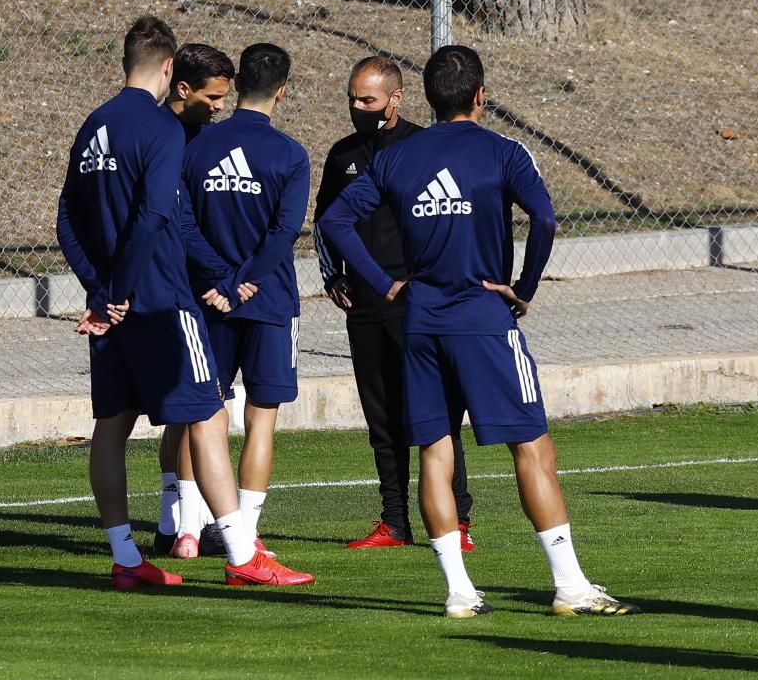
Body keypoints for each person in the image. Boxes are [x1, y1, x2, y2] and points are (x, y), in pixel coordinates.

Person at [319, 45, 640, 618]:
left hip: (419, 322)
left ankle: (459, 593)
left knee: (435, 452)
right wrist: (526, 285)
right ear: (481, 95)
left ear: (426, 98)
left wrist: (385, 283)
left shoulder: (396, 159)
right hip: (484, 321)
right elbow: (543, 218)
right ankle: (570, 587)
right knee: (533, 446)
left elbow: (334, 220)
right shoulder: (504, 151)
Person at [55, 16, 312, 588]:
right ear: (170, 70)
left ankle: (126, 561)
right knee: (208, 416)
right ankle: (245, 557)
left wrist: (99, 292)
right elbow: (155, 216)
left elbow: (66, 221)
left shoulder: (93, 124)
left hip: (112, 308)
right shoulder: (161, 129)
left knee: (112, 426)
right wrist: (120, 291)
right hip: (163, 301)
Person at [312, 56, 476, 551]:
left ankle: (458, 519)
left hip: (416, 302)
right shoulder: (343, 156)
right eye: (353, 99)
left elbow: (447, 218)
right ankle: (394, 521)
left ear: (396, 99)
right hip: (364, 302)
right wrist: (333, 275)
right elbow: (326, 222)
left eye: (368, 100)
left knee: (434, 411)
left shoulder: (421, 149)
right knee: (380, 415)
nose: (358, 107)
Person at [172, 43, 309, 560]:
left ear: (235, 86)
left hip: (208, 298)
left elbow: (183, 222)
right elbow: (286, 230)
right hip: (268, 299)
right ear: (282, 91)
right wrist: (246, 279)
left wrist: (220, 279)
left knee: (202, 414)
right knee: (261, 417)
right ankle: (244, 535)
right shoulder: (290, 153)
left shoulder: (198, 146)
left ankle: (189, 529)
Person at [152, 43, 237, 557]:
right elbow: (179, 221)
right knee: (199, 407)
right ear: (183, 89)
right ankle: (190, 526)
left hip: (191, 283)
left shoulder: (206, 137)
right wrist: (223, 274)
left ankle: (176, 523)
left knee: (188, 409)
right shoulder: (162, 136)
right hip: (178, 289)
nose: (221, 106)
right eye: (214, 96)